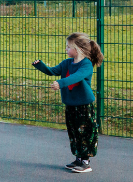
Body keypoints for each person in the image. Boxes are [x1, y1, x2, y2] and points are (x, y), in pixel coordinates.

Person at [32, 32, 104, 174]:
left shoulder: (86, 65)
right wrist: (41, 66)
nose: (66, 49)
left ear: (77, 49)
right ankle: (78, 158)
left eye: (68, 47)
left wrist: (61, 83)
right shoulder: (66, 63)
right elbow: (53, 71)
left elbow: (76, 77)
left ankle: (85, 161)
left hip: (84, 105)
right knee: (74, 131)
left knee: (85, 132)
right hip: (70, 104)